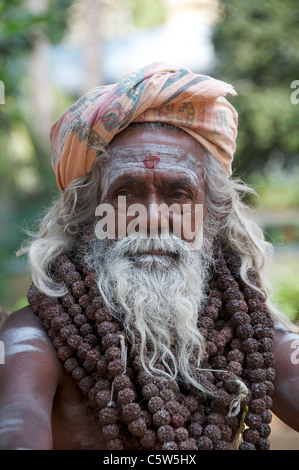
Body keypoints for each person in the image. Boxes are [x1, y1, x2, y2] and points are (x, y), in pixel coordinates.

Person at [0, 63, 299, 451]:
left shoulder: (248, 332)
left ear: (213, 217)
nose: (154, 218)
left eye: (178, 195)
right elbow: (16, 425)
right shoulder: (35, 339)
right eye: (125, 195)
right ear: (85, 216)